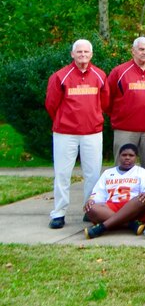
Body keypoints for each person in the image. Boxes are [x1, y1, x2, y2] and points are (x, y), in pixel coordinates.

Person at [46, 38, 110, 229]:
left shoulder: (99, 75)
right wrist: (65, 121)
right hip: (65, 133)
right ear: (72, 54)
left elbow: (105, 103)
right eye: (79, 52)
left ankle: (90, 211)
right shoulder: (60, 76)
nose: (83, 55)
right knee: (62, 174)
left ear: (91, 54)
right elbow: (51, 104)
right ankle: (58, 213)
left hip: (92, 132)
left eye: (86, 52)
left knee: (92, 174)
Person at [106, 36, 145, 172]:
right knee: (122, 166)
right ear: (133, 51)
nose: (144, 52)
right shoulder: (119, 72)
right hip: (125, 128)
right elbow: (107, 98)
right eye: (141, 49)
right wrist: (119, 115)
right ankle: (119, 192)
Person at [83, 143, 145, 239]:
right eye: (124, 155)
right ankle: (129, 224)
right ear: (119, 156)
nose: (127, 158)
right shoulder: (108, 173)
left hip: (132, 208)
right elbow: (98, 193)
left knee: (141, 199)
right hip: (111, 207)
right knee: (90, 207)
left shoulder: (142, 172)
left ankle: (102, 227)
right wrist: (92, 200)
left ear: (136, 157)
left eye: (131, 155)